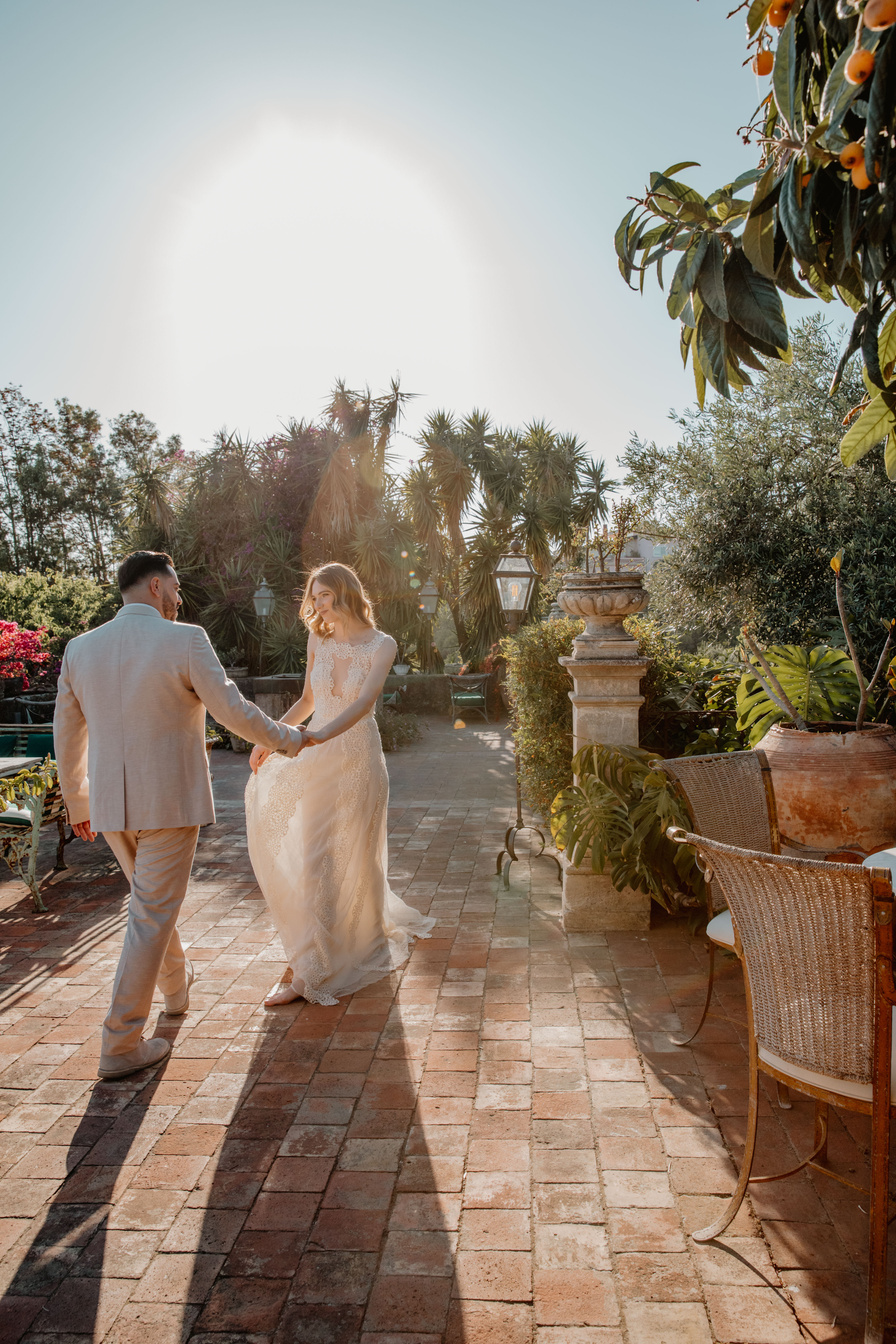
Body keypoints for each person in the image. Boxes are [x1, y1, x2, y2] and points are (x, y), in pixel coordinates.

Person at [53, 550, 308, 1080]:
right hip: (168, 802)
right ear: (152, 587)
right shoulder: (185, 639)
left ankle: (175, 990)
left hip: (108, 807)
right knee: (150, 913)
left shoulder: (80, 649)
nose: (178, 598)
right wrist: (289, 739)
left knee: (150, 904)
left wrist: (77, 800)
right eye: (173, 588)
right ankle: (120, 1041)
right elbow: (232, 709)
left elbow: (67, 731)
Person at [245, 562, 434, 1007]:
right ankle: (313, 964)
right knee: (316, 856)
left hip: (357, 756)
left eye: (324, 595)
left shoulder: (382, 644)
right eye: (313, 597)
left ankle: (361, 937)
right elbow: (310, 700)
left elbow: (365, 702)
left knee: (357, 851)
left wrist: (319, 735)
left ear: (347, 593)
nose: (317, 605)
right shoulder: (318, 638)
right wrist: (271, 737)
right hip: (316, 753)